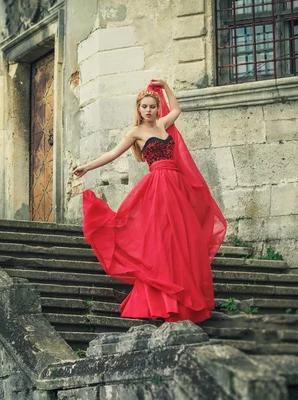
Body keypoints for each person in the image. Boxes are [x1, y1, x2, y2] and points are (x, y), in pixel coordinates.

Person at [73, 79, 227, 323]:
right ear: (138, 109)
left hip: (176, 187)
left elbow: (177, 110)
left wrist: (165, 87)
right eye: (144, 106)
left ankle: (184, 298)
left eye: (152, 106)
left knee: (183, 239)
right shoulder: (135, 132)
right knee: (163, 238)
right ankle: (163, 300)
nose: (148, 110)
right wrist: (87, 167)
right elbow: (112, 154)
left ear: (157, 109)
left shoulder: (163, 124)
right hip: (157, 187)